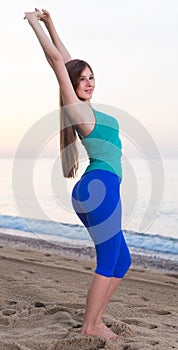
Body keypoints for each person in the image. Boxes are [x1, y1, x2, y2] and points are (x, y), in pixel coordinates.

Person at [24, 9, 131, 340]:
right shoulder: (77, 110)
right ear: (71, 86)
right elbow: (58, 63)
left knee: (122, 259)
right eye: (81, 79)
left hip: (99, 187)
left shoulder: (90, 108)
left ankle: (96, 320)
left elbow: (66, 60)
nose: (88, 82)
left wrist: (51, 23)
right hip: (100, 187)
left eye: (91, 77)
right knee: (110, 257)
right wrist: (33, 24)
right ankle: (90, 326)